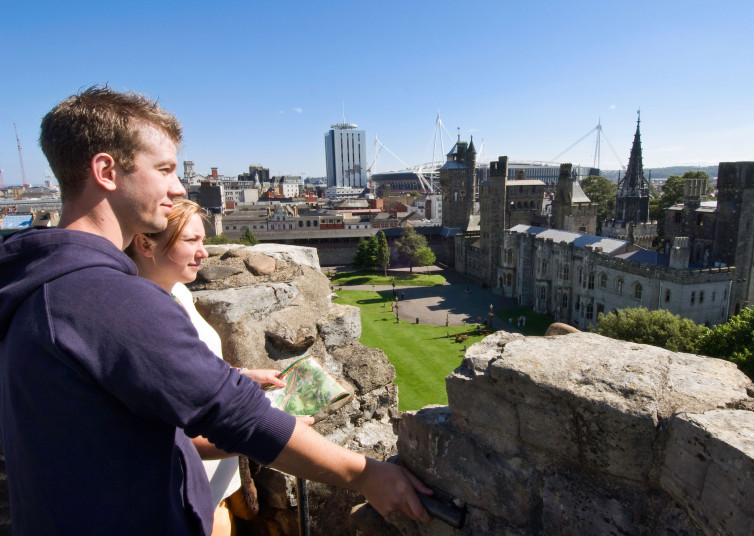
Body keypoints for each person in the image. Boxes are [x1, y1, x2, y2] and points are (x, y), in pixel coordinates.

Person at [0, 86, 431, 536]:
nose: (178, 187)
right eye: (164, 169)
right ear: (106, 171)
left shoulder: (39, 282)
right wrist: (366, 474)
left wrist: (229, 377)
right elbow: (239, 418)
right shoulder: (106, 297)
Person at [125, 198, 297, 535]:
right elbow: (169, 436)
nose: (204, 253)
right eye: (191, 241)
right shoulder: (136, 317)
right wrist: (269, 431)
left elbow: (189, 372)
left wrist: (240, 377)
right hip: (182, 493)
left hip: (215, 480)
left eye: (203, 240)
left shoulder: (178, 291)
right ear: (145, 244)